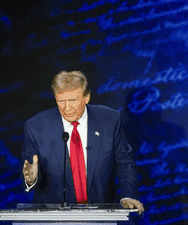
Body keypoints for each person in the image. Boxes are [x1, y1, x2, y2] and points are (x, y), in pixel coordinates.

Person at [21, 70, 144, 214]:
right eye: (61, 101)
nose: (67, 108)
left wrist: (127, 196)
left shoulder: (109, 120)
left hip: (102, 215)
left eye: (73, 100)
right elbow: (29, 168)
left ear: (86, 97)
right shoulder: (36, 127)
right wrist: (31, 179)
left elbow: (124, 162)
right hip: (53, 218)